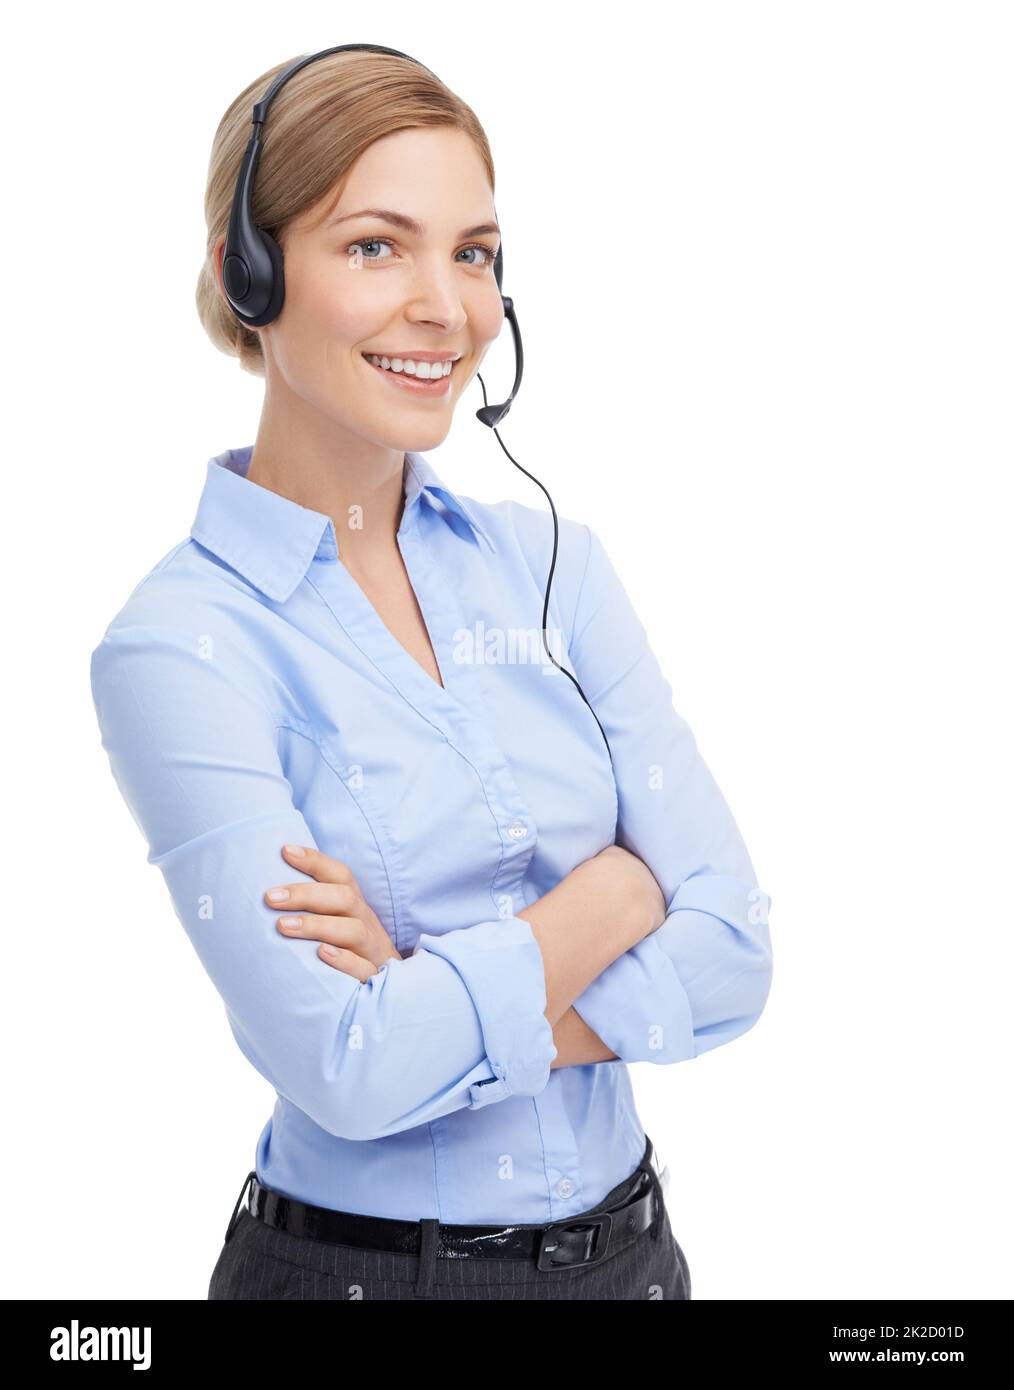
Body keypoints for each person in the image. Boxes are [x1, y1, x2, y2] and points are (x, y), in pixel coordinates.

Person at [89, 46, 773, 1301]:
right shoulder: (179, 646)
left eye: (473, 252)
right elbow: (348, 1070)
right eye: (373, 247)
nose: (447, 307)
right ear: (252, 274)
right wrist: (612, 897)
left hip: (633, 1263)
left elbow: (734, 950)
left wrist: (430, 992)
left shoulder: (557, 568)